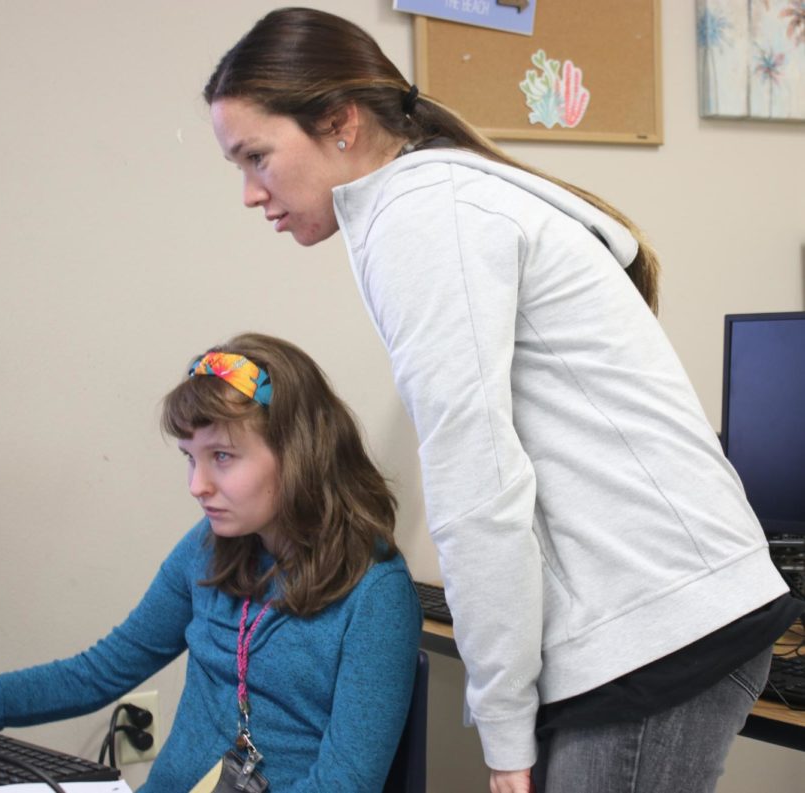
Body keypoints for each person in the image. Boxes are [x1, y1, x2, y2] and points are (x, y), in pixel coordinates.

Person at [203, 9, 805, 793]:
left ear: (339, 122)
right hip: (663, 610)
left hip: (657, 624)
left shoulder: (422, 217)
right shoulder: (428, 200)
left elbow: (479, 489)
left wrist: (504, 730)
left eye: (257, 157)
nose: (250, 193)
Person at [0, 332, 422, 792]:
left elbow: (344, 784)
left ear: (298, 454)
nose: (197, 485)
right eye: (190, 458)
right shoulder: (210, 546)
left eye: (221, 457)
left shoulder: (376, 594)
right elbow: (99, 672)